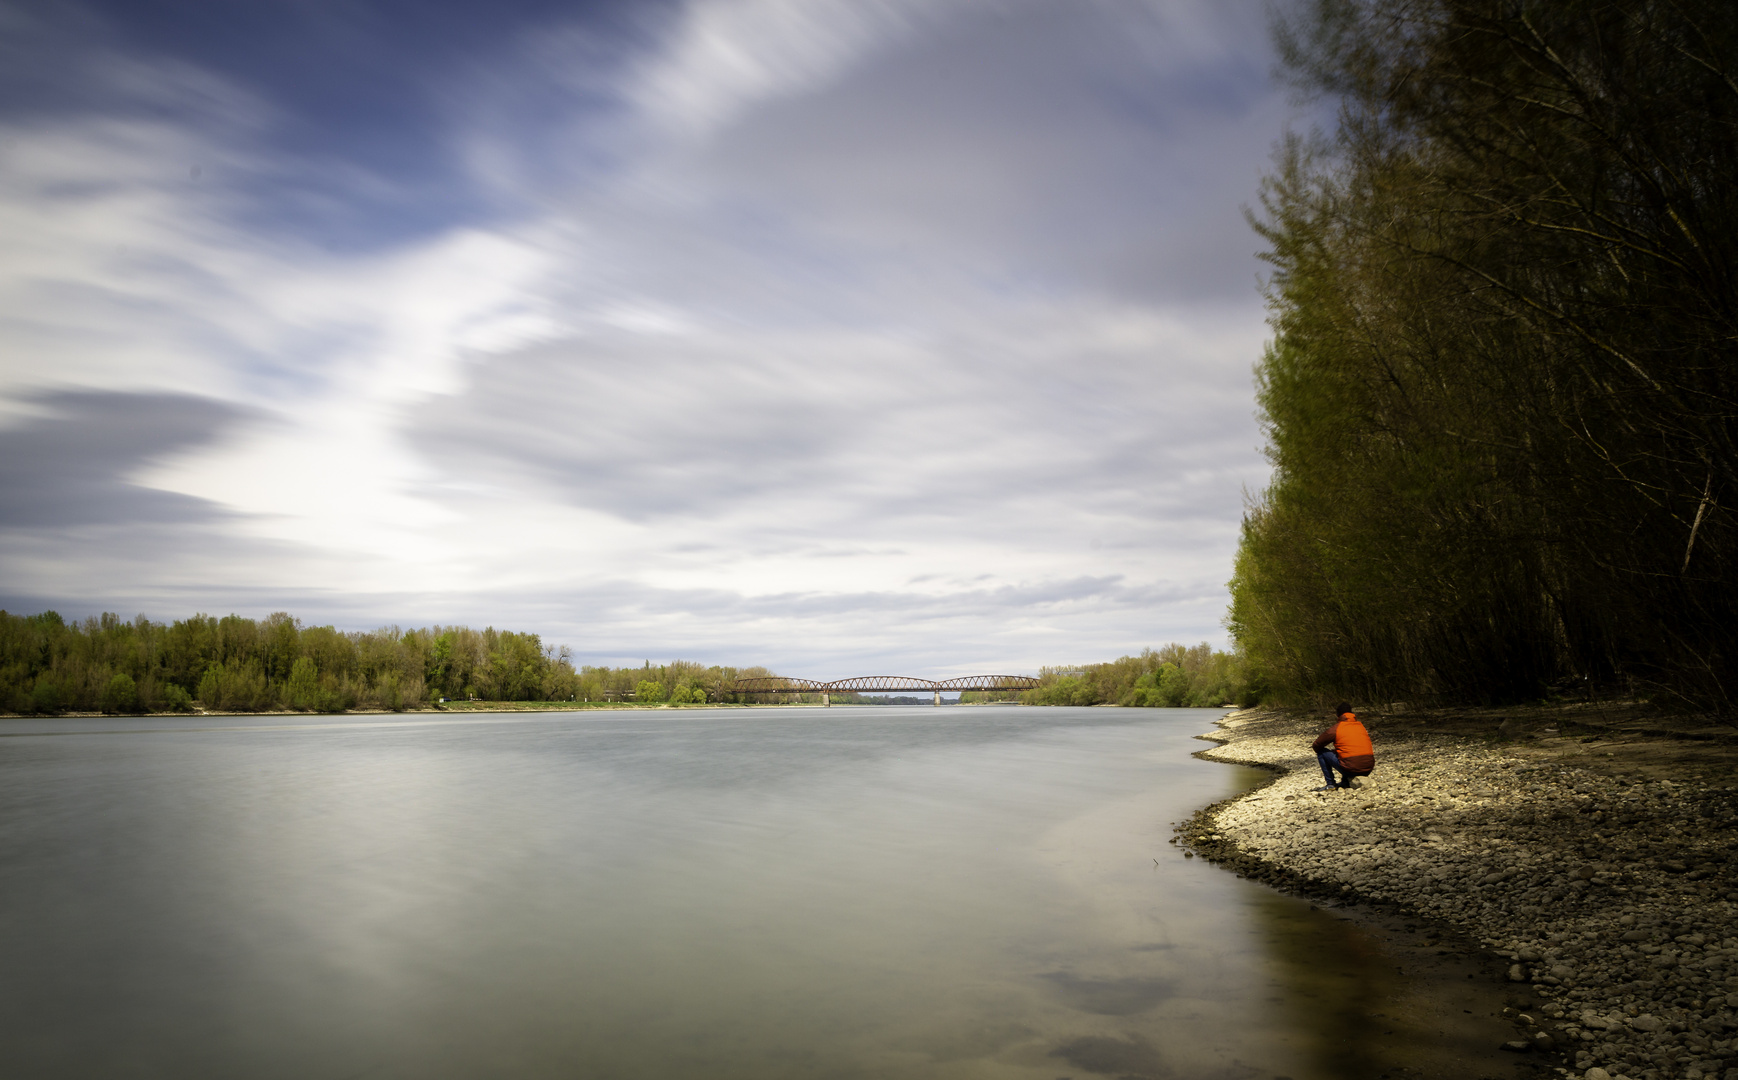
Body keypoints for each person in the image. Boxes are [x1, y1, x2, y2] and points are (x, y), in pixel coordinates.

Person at [1312, 703, 1373, 790]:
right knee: (1345, 754)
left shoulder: (1337, 728)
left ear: (1337, 715)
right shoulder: (1361, 726)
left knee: (1322, 753)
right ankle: (1345, 782)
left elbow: (1317, 744)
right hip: (1368, 768)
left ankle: (1330, 784)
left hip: (1351, 769)